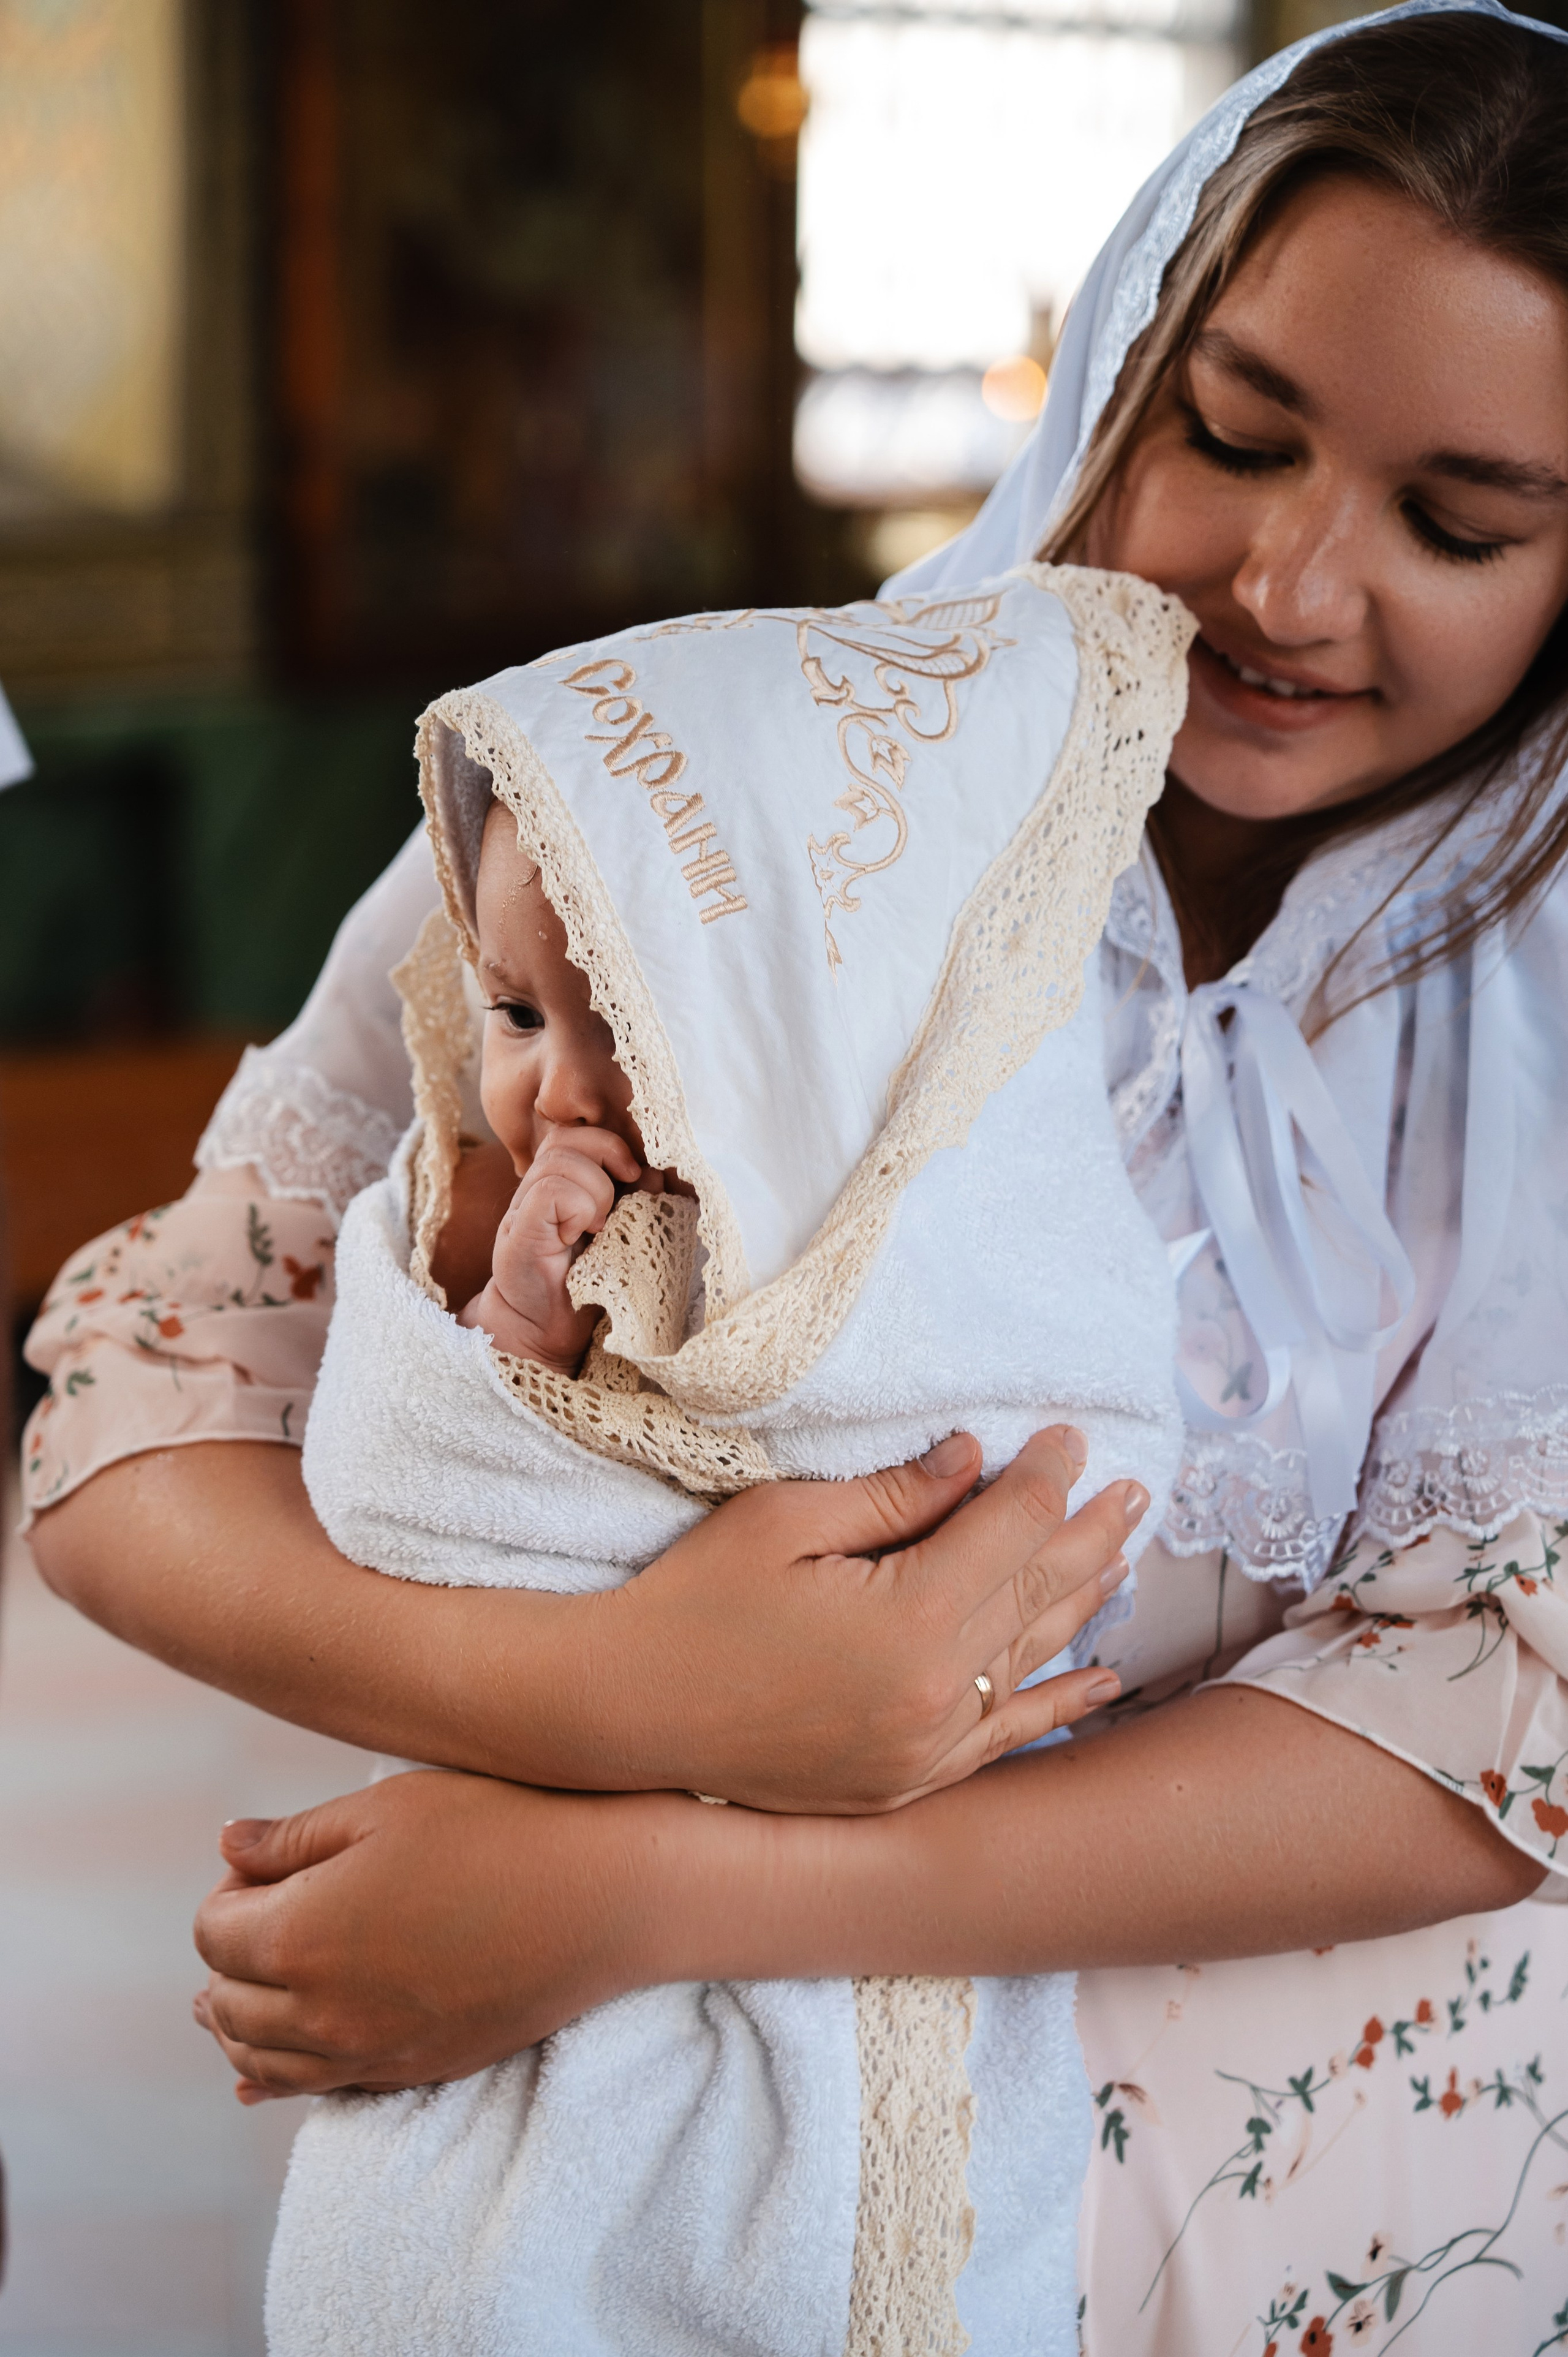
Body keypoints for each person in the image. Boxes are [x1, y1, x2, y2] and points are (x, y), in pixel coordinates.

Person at [21, 4, 1568, 2348]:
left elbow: (1507, 1735)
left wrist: (645, 1889)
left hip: (1332, 2230)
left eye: (1461, 521)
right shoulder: (716, 812)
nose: (1291, 583)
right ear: (1117, 359)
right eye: (1231, 435)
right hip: (682, 2222)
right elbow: (133, 1406)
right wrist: (615, 1699)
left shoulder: (1533, 1009)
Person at [273, 568, 1188, 2353]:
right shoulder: (534, 1218)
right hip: (542, 1804)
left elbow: (1050, 1477)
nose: (552, 1086)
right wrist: (523, 1320)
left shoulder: (933, 1230)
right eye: (520, 1014)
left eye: (626, 1015)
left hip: (858, 1901)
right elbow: (412, 1484)